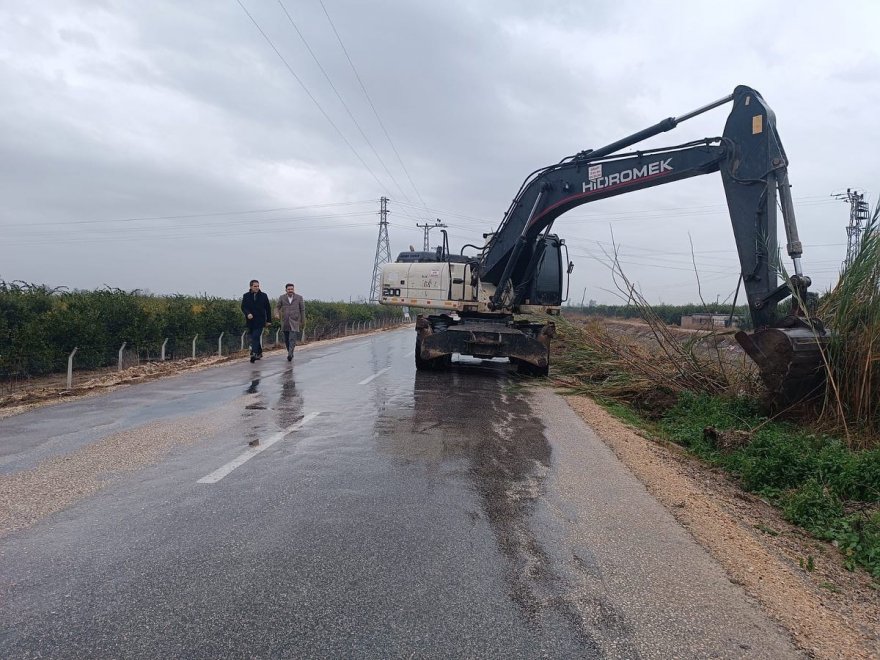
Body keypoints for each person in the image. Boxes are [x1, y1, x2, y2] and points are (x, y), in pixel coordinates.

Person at [241, 279, 271, 363]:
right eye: (255, 286)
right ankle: (259, 352)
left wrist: (269, 320)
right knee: (254, 338)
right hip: (250, 321)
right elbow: (243, 307)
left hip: (260, 321)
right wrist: (248, 313)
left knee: (255, 337)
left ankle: (253, 353)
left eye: (258, 286)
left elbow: (268, 308)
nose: (257, 288)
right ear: (251, 287)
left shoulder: (264, 296)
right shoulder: (246, 296)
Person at [275, 283, 305, 362]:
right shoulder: (282, 297)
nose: (290, 291)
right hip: (285, 321)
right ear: (286, 290)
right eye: (289, 289)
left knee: (292, 338)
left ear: (294, 289)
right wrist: (276, 314)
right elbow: (277, 307)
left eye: (292, 289)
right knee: (286, 339)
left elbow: (302, 310)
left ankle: (290, 354)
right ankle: (290, 352)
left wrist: (303, 321)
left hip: (295, 321)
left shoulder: (299, 298)